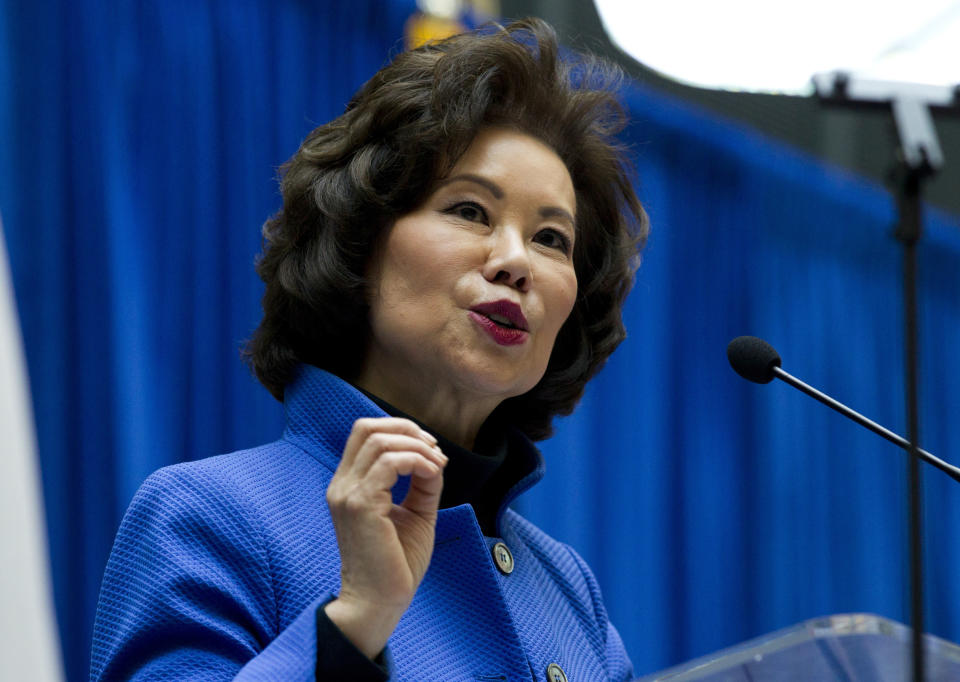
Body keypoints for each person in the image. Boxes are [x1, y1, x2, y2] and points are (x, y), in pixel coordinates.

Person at [90, 17, 648, 681]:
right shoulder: (211, 515)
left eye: (551, 239)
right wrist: (354, 622)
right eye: (470, 211)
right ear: (361, 242)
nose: (514, 261)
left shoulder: (566, 589)